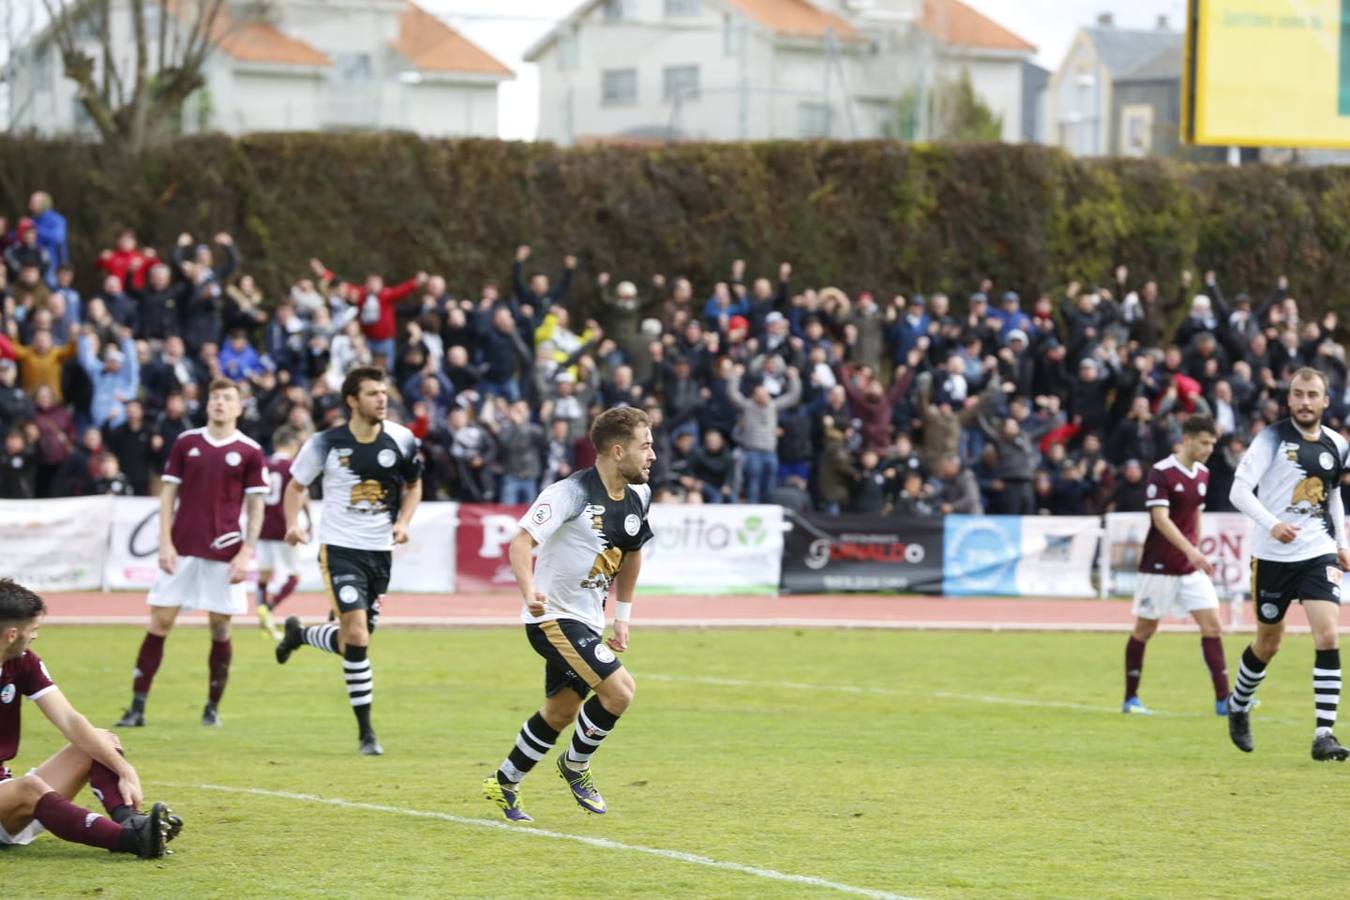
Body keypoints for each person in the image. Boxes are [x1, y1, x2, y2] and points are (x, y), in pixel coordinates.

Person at [483, 407, 655, 822]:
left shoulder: (639, 495)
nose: (653, 455)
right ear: (618, 451)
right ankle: (575, 766)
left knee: (561, 712)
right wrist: (529, 592)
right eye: (645, 446)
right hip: (553, 618)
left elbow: (632, 554)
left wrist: (623, 616)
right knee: (620, 691)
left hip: (587, 621)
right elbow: (521, 542)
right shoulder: (569, 493)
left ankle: (504, 782)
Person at [272, 367, 423, 756]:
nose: (382, 399)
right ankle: (367, 733)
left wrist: (404, 522)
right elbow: (296, 486)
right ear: (352, 401)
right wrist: (292, 523)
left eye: (383, 392)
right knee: (356, 637)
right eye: (372, 393)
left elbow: (413, 484)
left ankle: (301, 634)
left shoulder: (402, 439)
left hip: (380, 554)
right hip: (339, 549)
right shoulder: (325, 443)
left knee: (352, 641)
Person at [115, 379, 268, 729]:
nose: (220, 403)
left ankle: (212, 707)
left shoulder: (249, 450)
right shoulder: (187, 443)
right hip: (183, 549)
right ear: (207, 403)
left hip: (224, 553)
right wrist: (165, 542)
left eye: (227, 398)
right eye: (215, 397)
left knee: (219, 627)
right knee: (160, 622)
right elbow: (168, 495)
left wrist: (246, 553)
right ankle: (137, 707)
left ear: (238, 408)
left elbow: (256, 506)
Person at [0, 579, 181, 857]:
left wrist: (123, 769)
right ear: (12, 634)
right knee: (30, 788)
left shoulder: (22, 661)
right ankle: (131, 841)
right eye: (33, 630)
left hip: (6, 795)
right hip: (12, 795)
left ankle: (132, 820)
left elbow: (69, 719)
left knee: (101, 741)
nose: (35, 636)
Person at [1228, 368, 1350, 760]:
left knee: (1328, 636)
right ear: (1289, 398)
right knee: (1269, 642)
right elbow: (1238, 490)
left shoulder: (1338, 444)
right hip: (1272, 556)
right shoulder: (1271, 438)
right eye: (1298, 394)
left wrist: (1341, 544)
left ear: (1325, 400)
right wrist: (1273, 524)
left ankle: (1323, 735)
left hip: (1317, 552)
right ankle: (1239, 704)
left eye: (1312, 394)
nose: (1304, 401)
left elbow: (1332, 497)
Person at [1122, 416, 1229, 715]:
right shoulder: (1162, 472)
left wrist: (1198, 548)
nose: (1209, 449)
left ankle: (1224, 700)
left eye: (1212, 443)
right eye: (1204, 442)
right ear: (1187, 438)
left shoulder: (1204, 474)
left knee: (1213, 626)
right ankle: (1131, 699)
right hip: (1159, 566)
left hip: (1189, 567)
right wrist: (1191, 550)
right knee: (1145, 629)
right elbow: (1160, 519)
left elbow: (1195, 515)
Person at [255, 426, 307, 639]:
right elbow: (301, 494)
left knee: (264, 574)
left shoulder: (263, 465)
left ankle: (262, 617)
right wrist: (307, 521)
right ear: (293, 445)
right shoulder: (293, 467)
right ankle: (268, 607)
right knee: (294, 576)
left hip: (262, 526)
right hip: (285, 527)